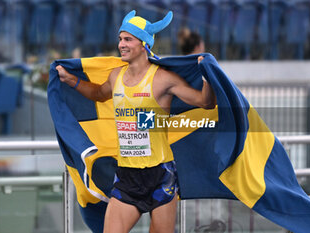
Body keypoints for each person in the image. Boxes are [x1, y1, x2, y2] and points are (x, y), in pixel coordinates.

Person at [56, 10, 216, 233]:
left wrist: (208, 74)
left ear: (144, 45)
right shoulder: (116, 76)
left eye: (128, 39)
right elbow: (99, 94)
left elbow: (205, 102)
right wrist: (71, 79)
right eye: (120, 39)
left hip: (161, 177)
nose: (121, 44)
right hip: (127, 177)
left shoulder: (162, 79)